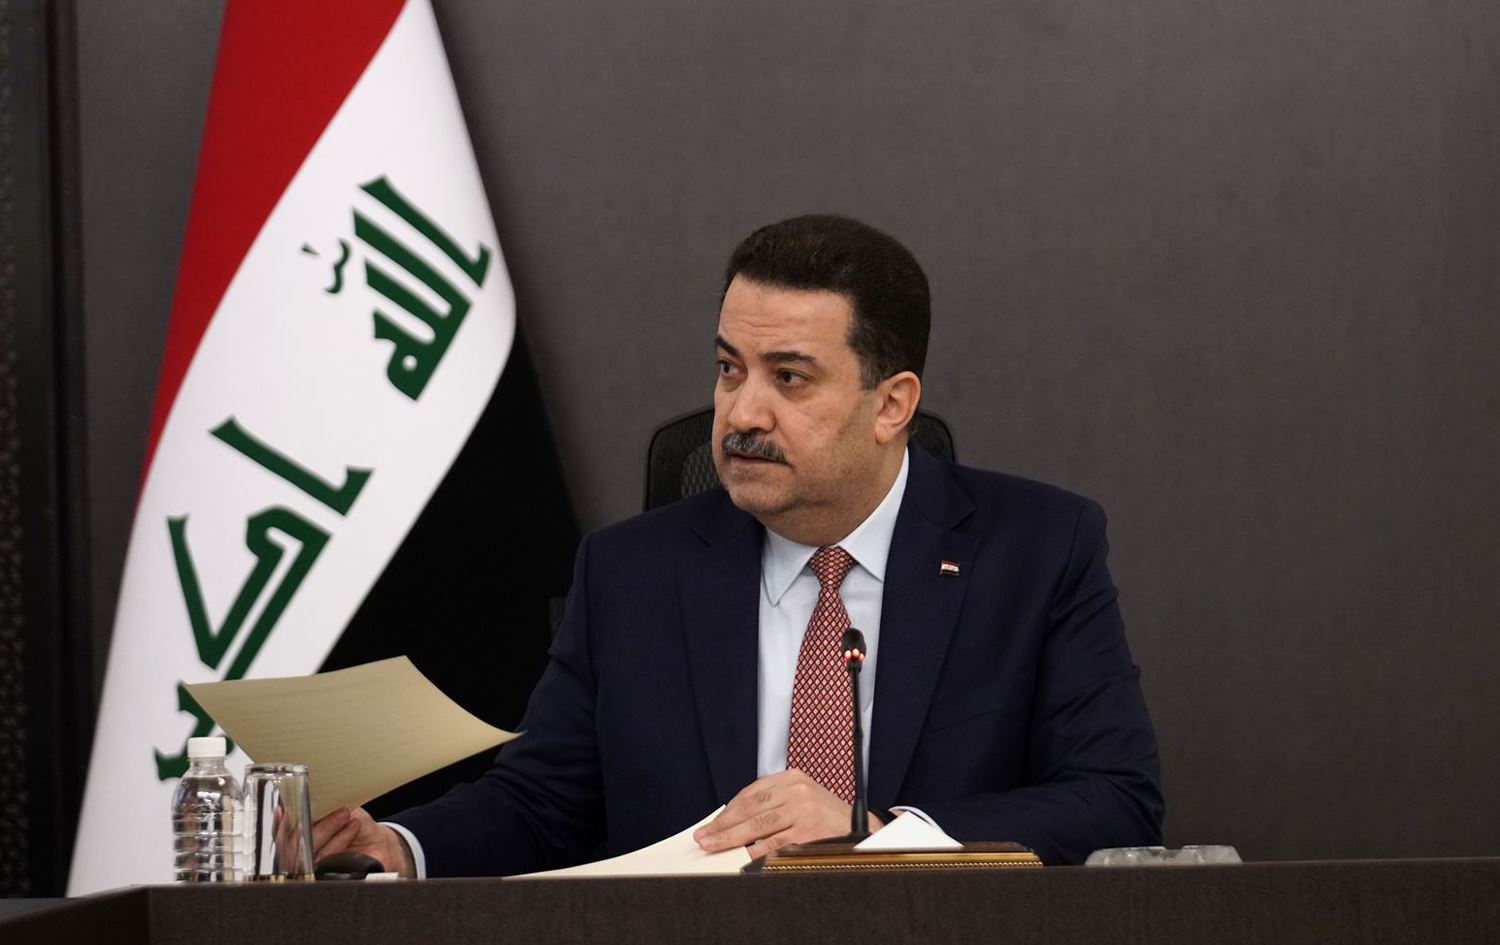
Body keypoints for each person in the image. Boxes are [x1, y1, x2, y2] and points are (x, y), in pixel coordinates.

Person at [313, 214, 1164, 876]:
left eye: (788, 377)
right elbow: (542, 802)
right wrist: (399, 845)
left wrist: (880, 835)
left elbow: (1114, 799)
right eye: (730, 368)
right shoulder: (630, 573)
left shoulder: (1036, 551)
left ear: (891, 404)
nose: (742, 412)